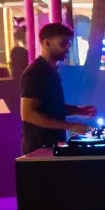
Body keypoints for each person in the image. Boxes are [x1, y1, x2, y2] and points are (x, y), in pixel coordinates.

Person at [19, 23, 95, 155]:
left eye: (69, 44)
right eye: (63, 43)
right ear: (47, 43)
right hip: (39, 148)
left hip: (51, 145)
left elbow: (50, 107)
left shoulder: (51, 71)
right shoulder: (35, 73)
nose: (67, 48)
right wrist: (70, 126)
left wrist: (78, 110)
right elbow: (28, 114)